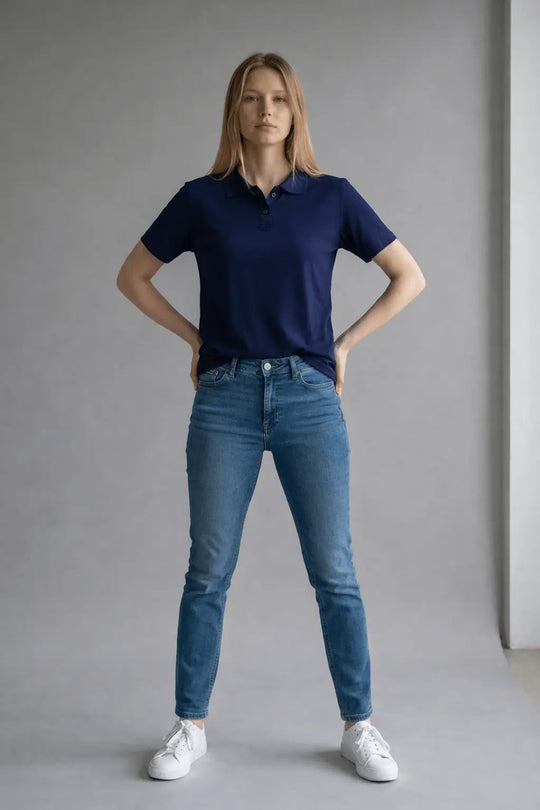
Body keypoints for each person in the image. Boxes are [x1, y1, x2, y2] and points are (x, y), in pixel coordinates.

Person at [117, 52, 425, 784]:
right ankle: (189, 725)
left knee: (335, 571)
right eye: (252, 99)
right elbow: (132, 276)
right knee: (208, 571)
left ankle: (359, 725)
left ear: (295, 111)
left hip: (307, 396)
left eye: (279, 99)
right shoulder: (201, 199)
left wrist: (343, 344)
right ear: (235, 110)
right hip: (223, 397)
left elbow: (408, 276)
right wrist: (194, 338)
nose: (265, 111)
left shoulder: (331, 196)